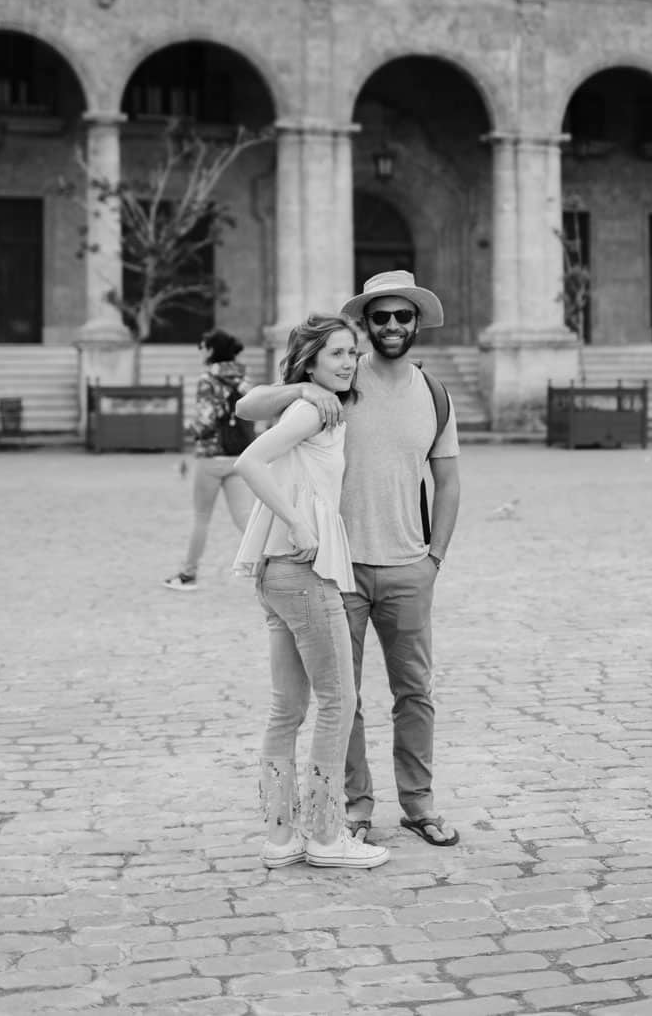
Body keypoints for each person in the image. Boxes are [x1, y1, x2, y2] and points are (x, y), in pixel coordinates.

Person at [237, 270, 461, 849]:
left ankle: (419, 804)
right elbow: (248, 406)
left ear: (417, 322)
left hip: (410, 565)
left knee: (415, 693)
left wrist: (435, 557)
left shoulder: (435, 395)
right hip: (340, 570)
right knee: (345, 698)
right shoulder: (337, 378)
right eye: (380, 317)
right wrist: (299, 391)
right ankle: (354, 808)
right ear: (365, 325)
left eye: (403, 316)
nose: (392, 326)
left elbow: (448, 478)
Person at [231, 314, 389, 871]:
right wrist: (297, 522)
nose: (348, 363)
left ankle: (280, 837)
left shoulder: (318, 406)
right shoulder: (312, 409)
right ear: (311, 361)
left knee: (288, 709)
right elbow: (249, 461)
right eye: (336, 354)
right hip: (304, 571)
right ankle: (325, 834)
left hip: (276, 573)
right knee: (338, 702)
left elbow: (251, 409)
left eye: (351, 352)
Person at [163, 327, 255, 591]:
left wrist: (188, 430)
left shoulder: (207, 380)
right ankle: (273, 567)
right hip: (239, 453)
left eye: (202, 346)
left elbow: (205, 422)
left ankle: (188, 574)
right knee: (245, 517)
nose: (200, 351)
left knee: (202, 517)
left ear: (212, 350)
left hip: (212, 456)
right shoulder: (245, 379)